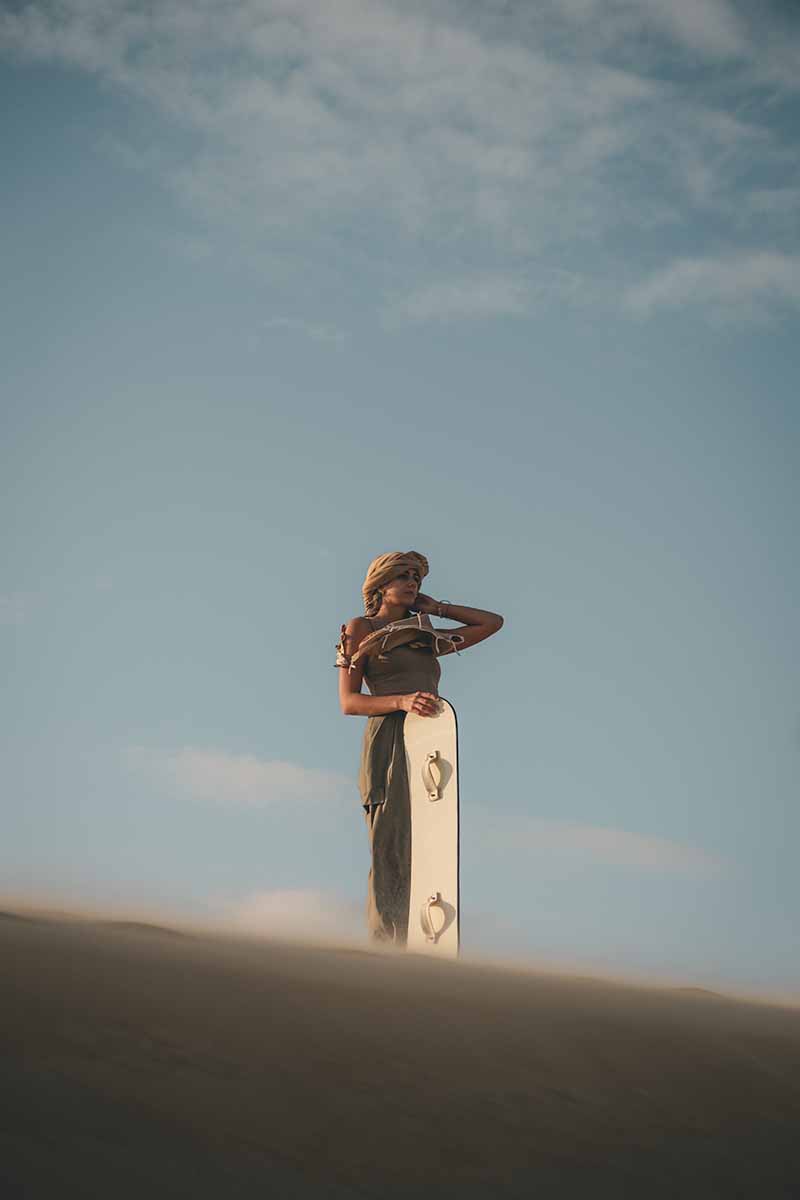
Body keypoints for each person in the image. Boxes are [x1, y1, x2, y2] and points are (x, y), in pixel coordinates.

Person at [335, 550, 503, 946]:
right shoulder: (359, 628)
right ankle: (385, 942)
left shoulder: (425, 637)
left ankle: (424, 940)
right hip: (389, 740)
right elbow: (349, 702)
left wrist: (438, 608)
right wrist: (402, 700)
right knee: (390, 844)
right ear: (380, 585)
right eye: (402, 577)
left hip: (429, 743)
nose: (412, 583)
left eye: (417, 578)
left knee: (429, 843)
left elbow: (492, 623)